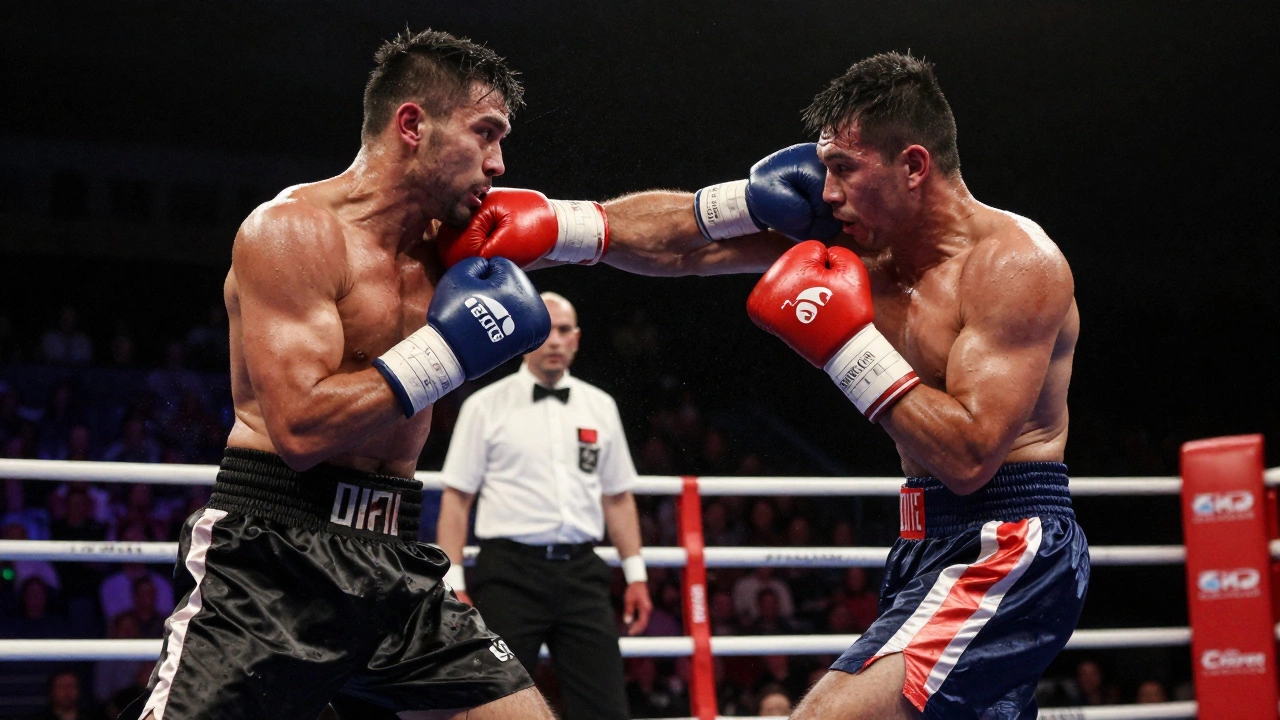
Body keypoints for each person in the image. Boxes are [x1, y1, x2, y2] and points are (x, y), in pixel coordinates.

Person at [440, 51, 1088, 720]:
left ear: (915, 166)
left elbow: (969, 456)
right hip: (922, 541)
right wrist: (557, 228)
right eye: (826, 165)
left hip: (1006, 543)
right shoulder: (856, 240)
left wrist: (846, 344)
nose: (826, 191)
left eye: (844, 169)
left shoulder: (1014, 266)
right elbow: (687, 239)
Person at [121, 28, 556, 720]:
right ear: (413, 124)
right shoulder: (293, 232)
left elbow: (623, 232)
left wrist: (742, 207)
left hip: (394, 560)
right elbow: (299, 427)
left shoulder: (459, 247)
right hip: (272, 559)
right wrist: (451, 349)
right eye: (486, 133)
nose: (500, 164)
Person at [436, 292, 651, 720]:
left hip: (582, 575)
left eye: (565, 329)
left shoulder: (600, 406)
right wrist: (453, 581)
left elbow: (618, 497)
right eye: (546, 329)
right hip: (509, 575)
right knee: (493, 703)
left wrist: (636, 575)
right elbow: (457, 498)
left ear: (577, 339)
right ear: (527, 336)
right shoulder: (484, 405)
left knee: (606, 707)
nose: (555, 340)